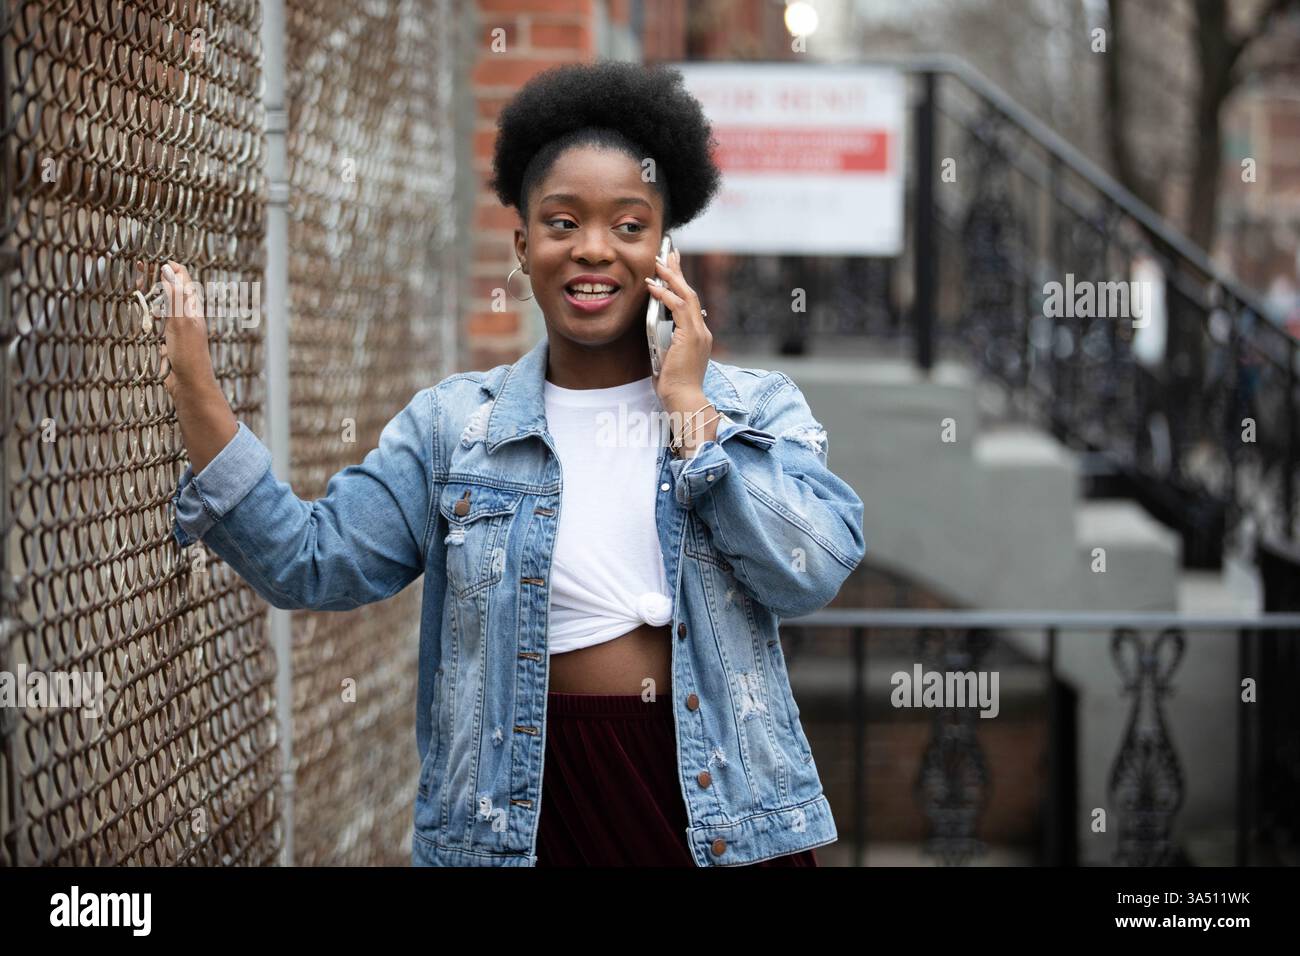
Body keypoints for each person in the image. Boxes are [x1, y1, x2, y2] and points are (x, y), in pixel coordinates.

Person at [163, 60, 866, 867]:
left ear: (664, 248)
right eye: (563, 223)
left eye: (628, 226)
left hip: (725, 815)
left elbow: (810, 572)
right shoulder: (456, 426)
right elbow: (312, 563)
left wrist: (691, 414)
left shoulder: (753, 407)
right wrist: (201, 399)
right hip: (524, 816)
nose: (593, 249)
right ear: (524, 243)